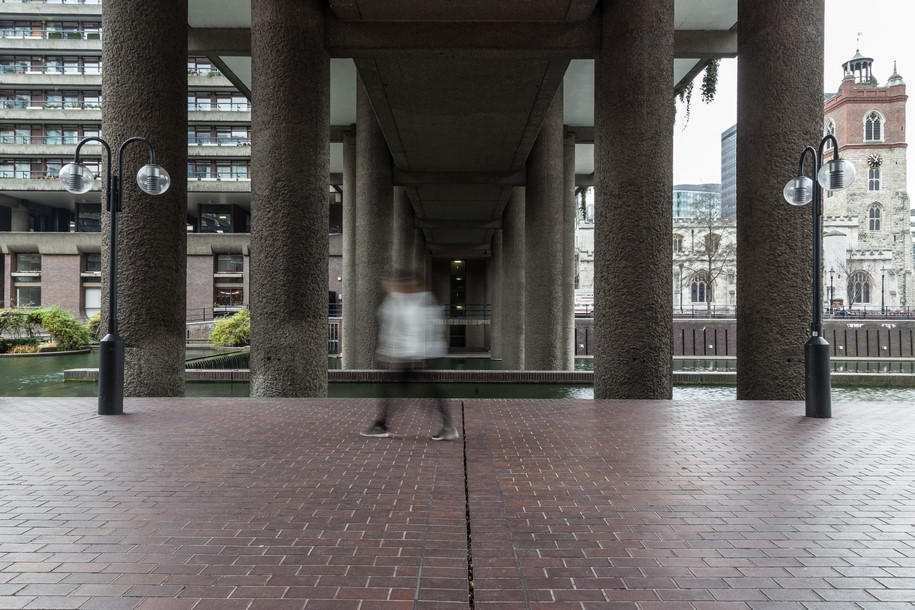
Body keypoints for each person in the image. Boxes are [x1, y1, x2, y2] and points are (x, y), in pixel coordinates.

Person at [360, 271, 458, 441]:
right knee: (408, 391)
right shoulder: (400, 300)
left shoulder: (420, 302)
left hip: (415, 357)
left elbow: (420, 331)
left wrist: (412, 357)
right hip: (410, 356)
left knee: (421, 392)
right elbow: (391, 329)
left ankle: (381, 424)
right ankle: (381, 423)